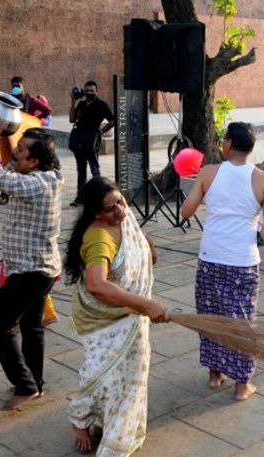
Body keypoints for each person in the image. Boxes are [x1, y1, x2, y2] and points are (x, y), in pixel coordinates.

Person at [64, 177, 169, 455]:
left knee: (127, 376)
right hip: (105, 319)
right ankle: (80, 419)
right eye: (111, 209)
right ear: (96, 213)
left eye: (120, 201)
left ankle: (107, 423)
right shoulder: (99, 236)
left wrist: (145, 244)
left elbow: (147, 255)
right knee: (101, 375)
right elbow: (96, 284)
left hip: (130, 314)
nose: (120, 210)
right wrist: (145, 305)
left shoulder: (125, 223)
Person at [180, 122, 264, 402]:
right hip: (242, 262)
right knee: (242, 321)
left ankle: (214, 373)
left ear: (229, 144)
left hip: (210, 257)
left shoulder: (209, 173)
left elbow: (186, 212)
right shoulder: (263, 179)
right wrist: (258, 235)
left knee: (211, 317)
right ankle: (242, 384)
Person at [0, 110, 64, 411]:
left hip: (31, 271)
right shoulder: (41, 175)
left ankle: (26, 385)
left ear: (35, 161)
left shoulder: (36, 184)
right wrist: (4, 136)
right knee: (32, 326)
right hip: (41, 268)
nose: (15, 152)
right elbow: (8, 166)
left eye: (20, 150)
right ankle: (34, 383)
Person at [0, 76, 54, 205]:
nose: (15, 88)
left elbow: (47, 111)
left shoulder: (32, 101)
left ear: (23, 87)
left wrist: (35, 120)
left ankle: (24, 188)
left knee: (25, 163)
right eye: (13, 86)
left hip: (28, 139)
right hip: (14, 137)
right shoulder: (11, 102)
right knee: (9, 163)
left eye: (17, 86)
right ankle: (4, 194)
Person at [68, 80, 115, 207]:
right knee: (81, 170)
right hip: (79, 140)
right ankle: (80, 197)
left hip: (92, 142)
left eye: (92, 91)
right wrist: (74, 102)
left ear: (96, 91)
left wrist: (101, 131)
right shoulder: (82, 104)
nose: (89, 93)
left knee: (95, 170)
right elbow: (72, 119)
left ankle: (98, 196)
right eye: (87, 91)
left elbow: (113, 120)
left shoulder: (101, 105)